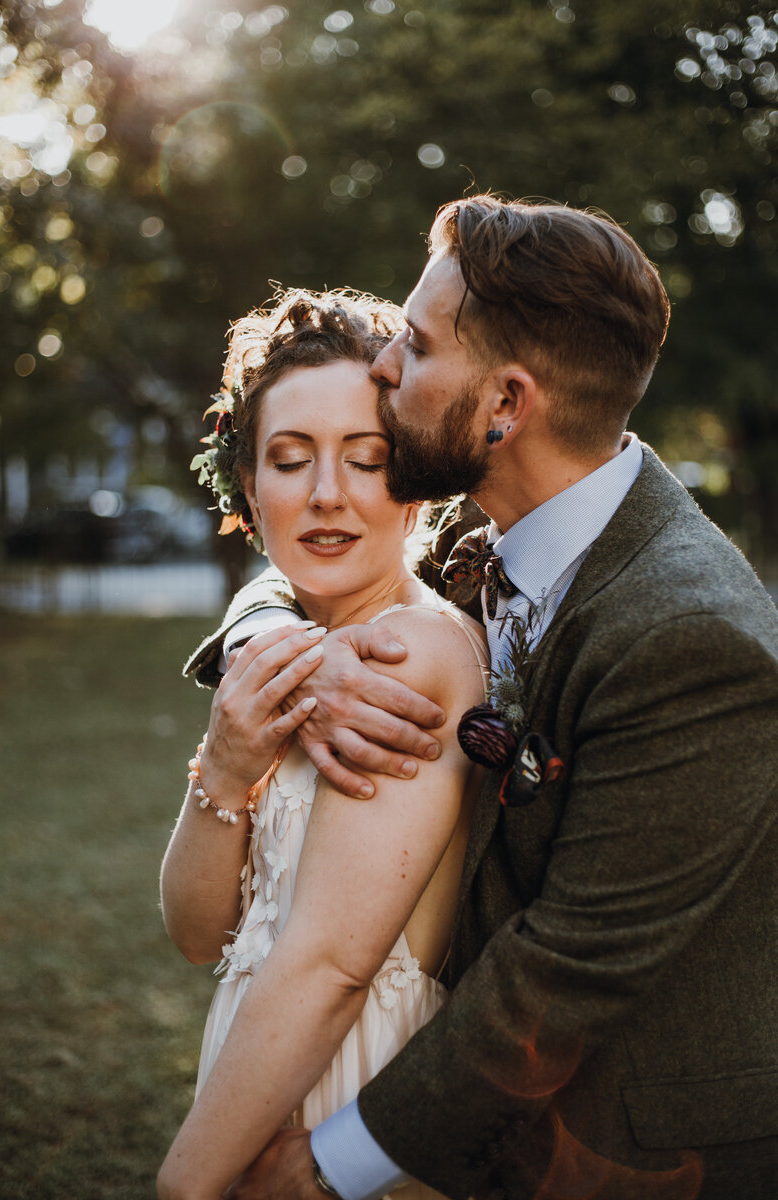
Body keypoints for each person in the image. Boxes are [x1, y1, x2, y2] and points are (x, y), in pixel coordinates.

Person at [190, 198, 778, 1200]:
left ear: (505, 405)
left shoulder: (690, 637)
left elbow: (568, 967)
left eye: (413, 348)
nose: (383, 368)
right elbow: (301, 570)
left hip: (632, 1155)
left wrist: (329, 1167)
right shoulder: (498, 540)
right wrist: (287, 645)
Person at [157, 289, 489, 1200]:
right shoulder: (283, 660)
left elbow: (334, 968)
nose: (326, 495)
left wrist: (185, 1182)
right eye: (291, 460)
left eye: (368, 460)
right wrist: (224, 767)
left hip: (347, 1110)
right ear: (249, 489)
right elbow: (198, 936)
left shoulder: (408, 655)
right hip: (255, 1080)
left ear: (417, 479)